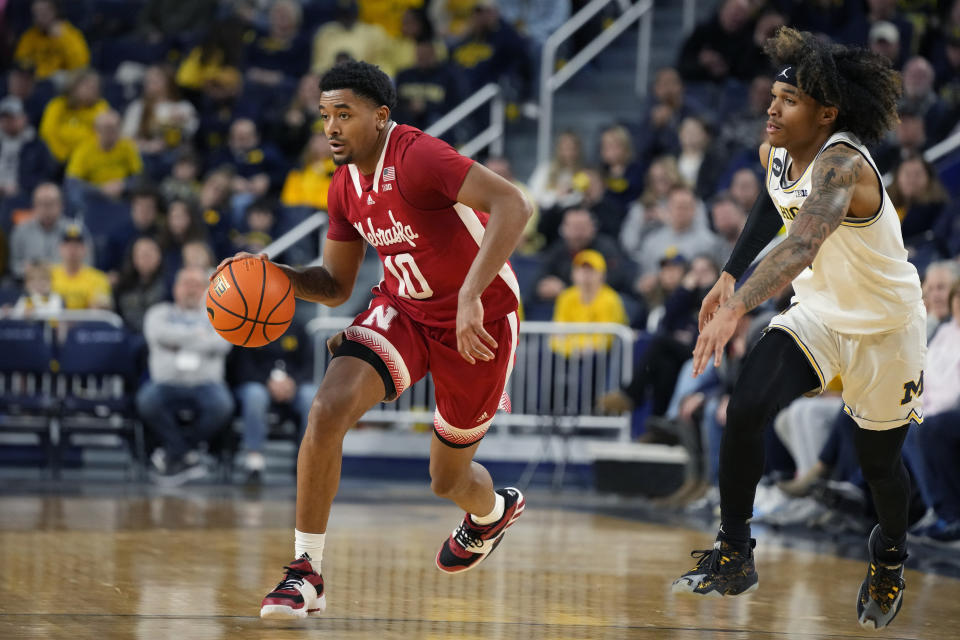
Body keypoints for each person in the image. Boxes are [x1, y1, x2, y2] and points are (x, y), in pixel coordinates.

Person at [213, 60, 532, 619]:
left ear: (381, 117)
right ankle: (304, 572)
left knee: (446, 479)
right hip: (404, 310)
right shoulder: (342, 187)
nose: (331, 127)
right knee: (328, 407)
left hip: (479, 321)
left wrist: (469, 294)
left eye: (344, 114)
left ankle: (492, 512)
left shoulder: (419, 156)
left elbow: (513, 204)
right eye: (324, 116)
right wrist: (273, 276)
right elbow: (335, 286)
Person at [671, 28, 925, 631]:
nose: (771, 108)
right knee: (747, 404)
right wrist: (730, 276)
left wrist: (736, 309)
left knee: (880, 466)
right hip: (819, 316)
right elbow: (771, 203)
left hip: (886, 331)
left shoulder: (843, 165)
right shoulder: (776, 152)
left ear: (826, 114)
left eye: (788, 102)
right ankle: (736, 551)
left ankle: (889, 555)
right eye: (772, 97)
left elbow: (803, 243)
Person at [137, 266, 234, 483]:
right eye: (186, 284)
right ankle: (189, 455)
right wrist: (200, 338)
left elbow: (224, 344)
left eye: (197, 285)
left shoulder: (220, 313)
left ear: (206, 290)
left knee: (223, 405)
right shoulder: (159, 312)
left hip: (206, 384)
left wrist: (175, 342)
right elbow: (158, 334)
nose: (191, 289)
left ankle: (175, 453)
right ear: (175, 288)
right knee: (147, 400)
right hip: (165, 384)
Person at [13, 0, 90, 81]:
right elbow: (20, 60)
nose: (39, 18)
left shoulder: (69, 34)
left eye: (43, 13)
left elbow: (80, 65)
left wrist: (62, 38)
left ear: (55, 11)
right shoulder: (31, 35)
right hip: (35, 80)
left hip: (59, 83)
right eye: (36, 14)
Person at [50, 224, 112, 310]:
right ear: (60, 248)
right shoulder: (48, 275)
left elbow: (100, 307)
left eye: (77, 245)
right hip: (53, 323)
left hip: (86, 323)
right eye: (68, 244)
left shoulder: (98, 278)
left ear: (85, 249)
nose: (72, 249)